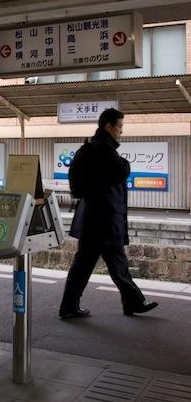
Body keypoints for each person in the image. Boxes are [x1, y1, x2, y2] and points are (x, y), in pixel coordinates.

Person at [59, 108, 159, 319]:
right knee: (113, 264)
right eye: (119, 126)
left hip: (93, 218)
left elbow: (76, 185)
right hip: (104, 219)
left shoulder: (87, 149)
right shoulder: (103, 150)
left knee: (91, 264)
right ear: (108, 126)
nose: (121, 131)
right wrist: (122, 162)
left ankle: (71, 306)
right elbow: (122, 170)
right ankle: (132, 302)